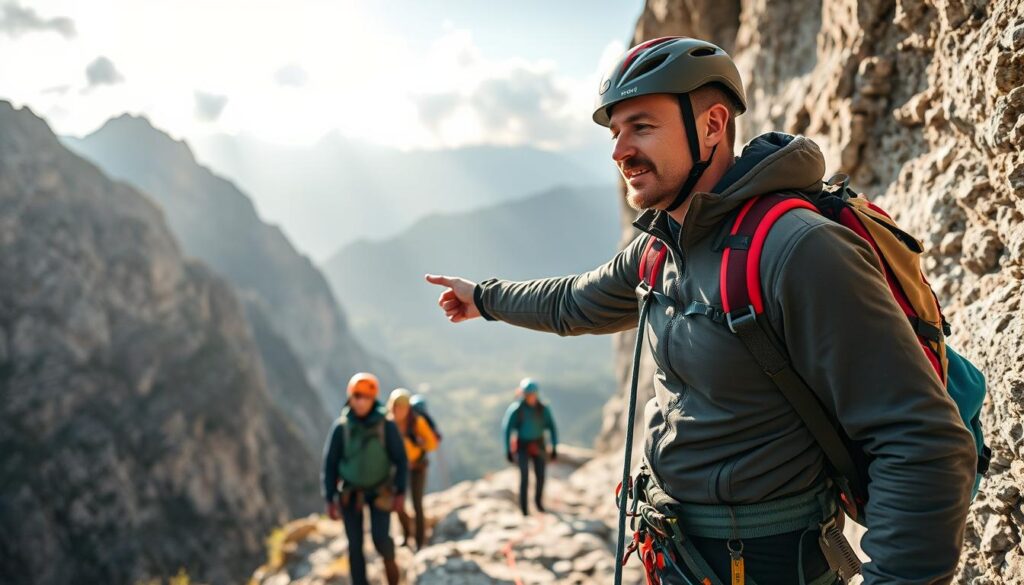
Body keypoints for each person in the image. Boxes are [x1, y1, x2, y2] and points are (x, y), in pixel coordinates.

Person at [425, 37, 976, 584]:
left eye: (641, 127)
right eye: (615, 133)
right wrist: (486, 298)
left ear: (712, 126)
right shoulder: (662, 247)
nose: (619, 151)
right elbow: (575, 302)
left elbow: (920, 441)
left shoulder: (798, 250)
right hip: (679, 552)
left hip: (765, 562)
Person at [321, 372, 407, 585]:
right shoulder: (341, 428)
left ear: (373, 398)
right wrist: (329, 497)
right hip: (351, 493)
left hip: (381, 490)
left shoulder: (386, 425)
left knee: (381, 539)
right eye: (356, 396)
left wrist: (400, 491)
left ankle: (392, 569)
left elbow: (401, 460)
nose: (359, 401)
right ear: (350, 396)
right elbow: (330, 464)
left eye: (364, 396)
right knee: (355, 545)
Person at [388, 388, 439, 550]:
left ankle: (419, 542)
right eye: (398, 406)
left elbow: (432, 443)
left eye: (404, 406)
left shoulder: (417, 423)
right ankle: (406, 534)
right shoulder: (388, 424)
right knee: (398, 504)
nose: (400, 410)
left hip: (417, 467)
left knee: (417, 504)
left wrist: (421, 442)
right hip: (397, 469)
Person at [501, 378, 558, 516]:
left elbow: (552, 427)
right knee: (524, 476)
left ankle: (538, 504)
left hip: (538, 444)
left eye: (532, 395)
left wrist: (554, 447)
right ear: (524, 395)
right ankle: (524, 509)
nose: (531, 398)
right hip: (523, 445)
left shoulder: (543, 409)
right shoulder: (517, 409)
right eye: (528, 395)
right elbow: (507, 429)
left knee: (540, 476)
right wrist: (507, 450)